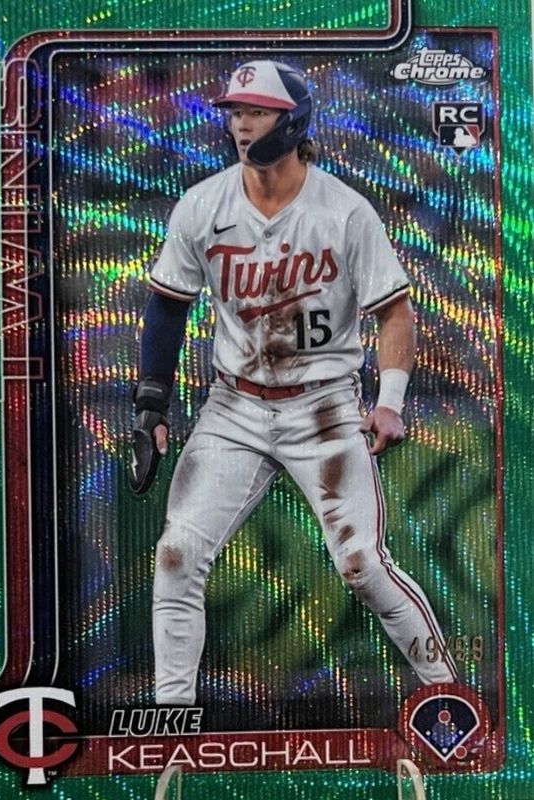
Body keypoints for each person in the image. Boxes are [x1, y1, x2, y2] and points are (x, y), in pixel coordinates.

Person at [130, 60, 457, 706]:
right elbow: (167, 306)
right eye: (235, 112)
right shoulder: (203, 204)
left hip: (324, 407)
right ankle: (173, 721)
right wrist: (151, 403)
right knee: (175, 555)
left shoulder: (343, 210)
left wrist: (390, 402)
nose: (241, 124)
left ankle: (449, 699)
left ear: (293, 121)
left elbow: (394, 311)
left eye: (256, 111)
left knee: (363, 565)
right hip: (234, 407)